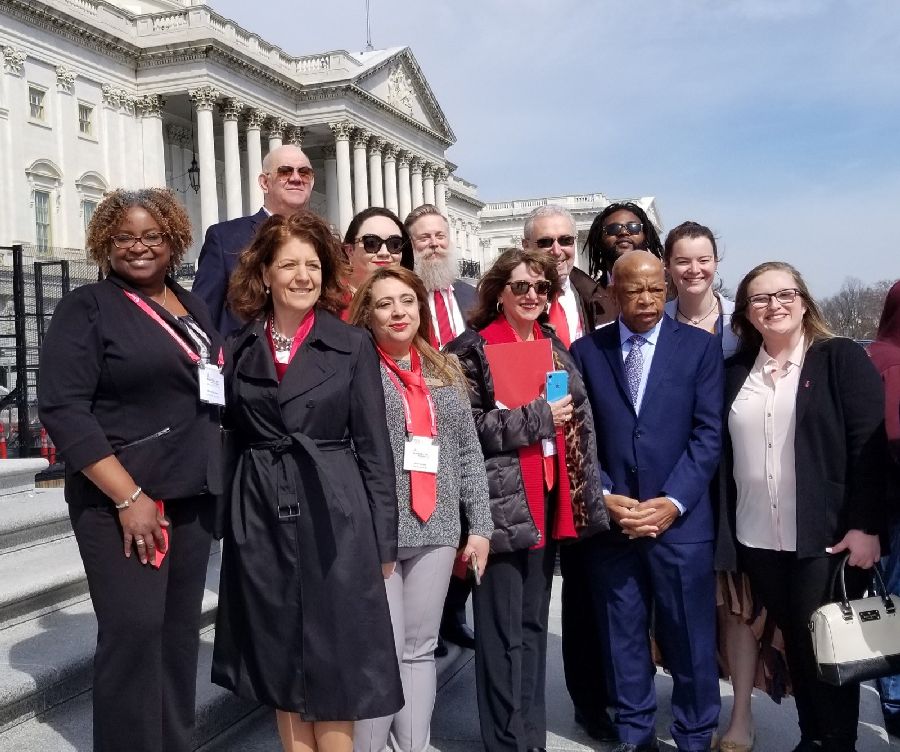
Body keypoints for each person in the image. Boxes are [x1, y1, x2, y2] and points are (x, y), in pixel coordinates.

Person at [37, 188, 222, 752]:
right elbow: (64, 409)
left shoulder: (191, 304)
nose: (138, 247)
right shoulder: (88, 305)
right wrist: (128, 497)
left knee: (176, 640)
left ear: (172, 241)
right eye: (124, 237)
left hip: (190, 497)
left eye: (151, 236)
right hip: (124, 501)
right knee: (134, 636)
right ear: (104, 243)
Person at [211, 210, 403, 752]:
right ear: (265, 273)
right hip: (261, 509)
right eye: (289, 264)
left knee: (336, 656)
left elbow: (374, 447)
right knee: (279, 654)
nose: (302, 276)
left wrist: (382, 539)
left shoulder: (352, 344)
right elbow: (224, 435)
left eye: (313, 265)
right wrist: (227, 519)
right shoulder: (239, 348)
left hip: (334, 510)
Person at [445, 248, 610, 752]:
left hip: (547, 499)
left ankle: (530, 737)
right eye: (521, 287)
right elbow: (463, 430)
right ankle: (503, 740)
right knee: (498, 633)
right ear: (498, 291)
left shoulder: (554, 344)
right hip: (495, 507)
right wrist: (535, 419)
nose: (533, 296)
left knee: (534, 625)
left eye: (542, 288)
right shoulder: (470, 349)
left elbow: (578, 419)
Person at [719, 262, 886, 752]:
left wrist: (867, 526)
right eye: (760, 299)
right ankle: (812, 736)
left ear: (804, 300)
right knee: (796, 639)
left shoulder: (837, 359)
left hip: (827, 536)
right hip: (758, 536)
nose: (774, 305)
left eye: (784, 294)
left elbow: (868, 449)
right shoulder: (735, 373)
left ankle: (834, 741)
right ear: (746, 314)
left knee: (830, 648)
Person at [571, 251, 724, 752]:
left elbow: (707, 434)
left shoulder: (700, 348)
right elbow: (582, 433)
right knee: (623, 639)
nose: (647, 299)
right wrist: (609, 494)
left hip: (679, 525)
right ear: (614, 293)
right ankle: (636, 735)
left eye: (657, 289)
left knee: (690, 640)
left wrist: (672, 501)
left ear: (669, 289)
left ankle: (694, 733)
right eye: (634, 289)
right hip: (614, 524)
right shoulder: (586, 351)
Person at [348, 266, 493, 752]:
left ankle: (413, 745)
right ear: (367, 313)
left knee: (419, 650)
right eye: (385, 303)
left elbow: (468, 452)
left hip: (437, 527)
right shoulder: (356, 369)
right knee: (380, 653)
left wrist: (481, 527)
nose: (397, 312)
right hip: (379, 532)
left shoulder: (444, 370)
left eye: (406, 301)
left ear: (420, 309)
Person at [522, 203, 616, 742]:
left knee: (586, 593)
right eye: (544, 243)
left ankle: (592, 700)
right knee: (532, 596)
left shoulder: (599, 298)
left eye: (564, 241)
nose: (556, 251)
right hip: (531, 462)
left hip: (587, 465)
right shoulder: (516, 298)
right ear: (527, 246)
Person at [664, 222, 758, 750]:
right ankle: (691, 697)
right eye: (683, 261)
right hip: (678, 475)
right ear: (668, 265)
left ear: (717, 262)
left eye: (704, 260)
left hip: (734, 474)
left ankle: (739, 713)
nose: (694, 270)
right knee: (685, 600)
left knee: (735, 598)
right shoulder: (654, 320)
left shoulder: (741, 326)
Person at [404, 203, 478, 653]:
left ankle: (453, 613)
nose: (433, 244)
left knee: (468, 521)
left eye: (439, 236)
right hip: (422, 426)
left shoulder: (473, 295)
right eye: (423, 238)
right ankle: (427, 617)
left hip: (473, 425)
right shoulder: (406, 295)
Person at [193, 144, 315, 336]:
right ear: (265, 183)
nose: (296, 178)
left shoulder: (323, 241)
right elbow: (203, 315)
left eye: (304, 172)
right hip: (245, 360)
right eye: (285, 171)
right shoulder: (225, 238)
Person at [868, 280, 900, 740]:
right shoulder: (884, 361)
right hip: (890, 507)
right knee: (890, 603)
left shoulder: (873, 354)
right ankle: (893, 698)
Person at [582, 202, 664, 327]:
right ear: (599, 240)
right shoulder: (588, 296)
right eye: (613, 229)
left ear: (646, 236)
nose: (624, 232)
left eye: (633, 227)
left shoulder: (669, 291)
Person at [343, 206, 414, 296]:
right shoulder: (329, 304)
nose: (384, 253)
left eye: (394, 244)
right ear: (350, 251)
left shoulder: (413, 298)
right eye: (371, 243)